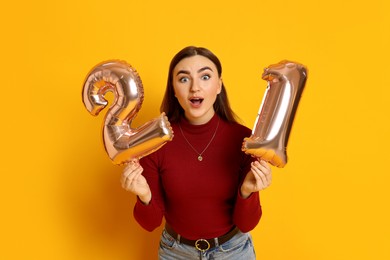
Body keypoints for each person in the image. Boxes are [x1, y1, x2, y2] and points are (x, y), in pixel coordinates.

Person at [121, 46, 272, 260]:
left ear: (219, 85)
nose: (195, 88)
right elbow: (150, 223)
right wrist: (144, 195)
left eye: (205, 77)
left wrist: (248, 190)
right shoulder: (155, 143)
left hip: (233, 252)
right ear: (173, 89)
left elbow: (247, 223)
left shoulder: (245, 140)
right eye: (183, 79)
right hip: (176, 252)